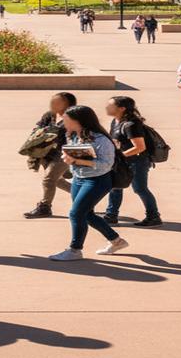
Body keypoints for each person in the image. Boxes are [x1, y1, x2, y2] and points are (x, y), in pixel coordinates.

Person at [48, 105, 127, 260]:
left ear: (79, 121)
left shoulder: (101, 140)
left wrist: (77, 160)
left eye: (67, 121)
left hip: (97, 180)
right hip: (79, 178)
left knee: (76, 213)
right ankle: (117, 241)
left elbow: (106, 164)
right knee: (87, 214)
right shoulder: (73, 135)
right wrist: (68, 158)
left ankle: (75, 250)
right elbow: (72, 154)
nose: (64, 124)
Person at [102, 96, 162, 227]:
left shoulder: (131, 124)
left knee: (140, 189)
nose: (106, 107)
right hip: (122, 161)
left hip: (137, 161)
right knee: (115, 186)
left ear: (121, 108)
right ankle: (111, 215)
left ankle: (154, 216)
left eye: (110, 105)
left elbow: (140, 147)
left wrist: (120, 156)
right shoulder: (115, 121)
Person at [23, 92, 78, 218]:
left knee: (49, 179)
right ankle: (83, 197)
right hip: (46, 152)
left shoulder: (74, 116)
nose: (52, 104)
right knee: (57, 181)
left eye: (57, 102)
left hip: (65, 152)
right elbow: (37, 128)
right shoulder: (49, 115)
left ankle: (45, 207)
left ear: (68, 104)